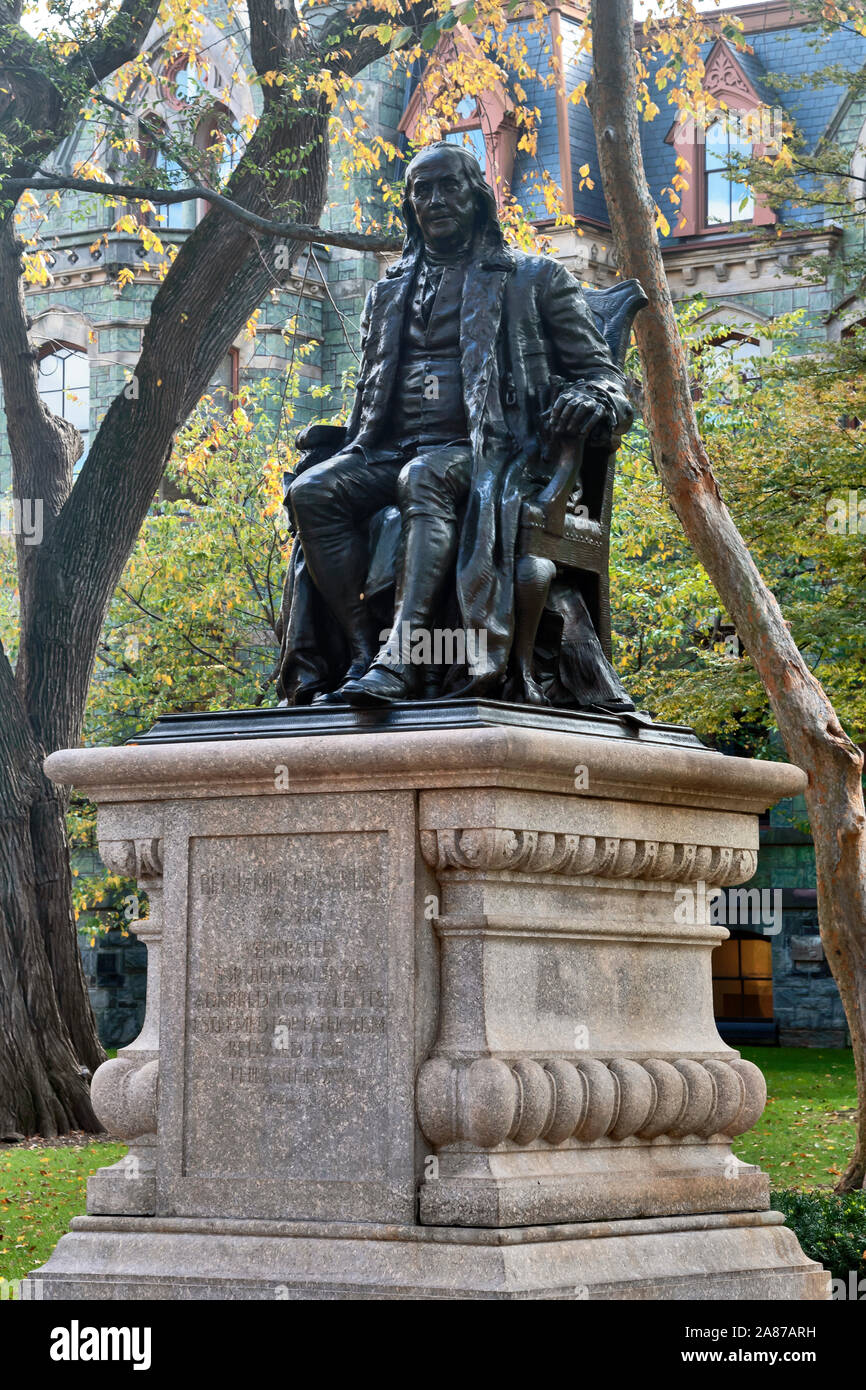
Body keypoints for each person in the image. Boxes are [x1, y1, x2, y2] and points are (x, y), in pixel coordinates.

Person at [277, 141, 635, 710]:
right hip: (387, 449)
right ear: (410, 205)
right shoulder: (387, 292)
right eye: (423, 190)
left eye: (450, 186)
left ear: (478, 198)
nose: (436, 199)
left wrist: (594, 397)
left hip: (496, 451)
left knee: (426, 475)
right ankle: (364, 650)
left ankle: (406, 659)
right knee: (312, 490)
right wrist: (341, 444)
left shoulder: (533, 278)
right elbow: (372, 400)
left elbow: (608, 379)